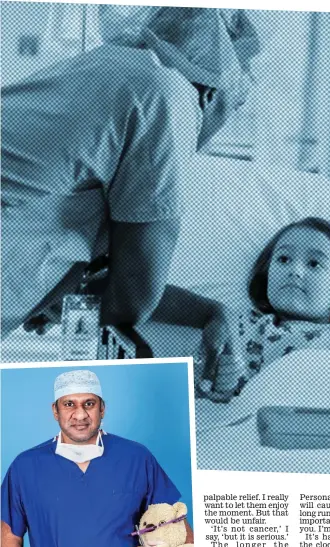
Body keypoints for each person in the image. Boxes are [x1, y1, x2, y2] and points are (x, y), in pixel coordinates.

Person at [1, 7, 260, 338]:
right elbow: (133, 298)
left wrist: (211, 311)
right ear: (211, 93)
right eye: (232, 107)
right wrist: (64, 306)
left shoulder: (102, 65)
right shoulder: (167, 97)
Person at [1, 370, 194, 547]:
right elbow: (7, 540)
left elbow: (175, 522)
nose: (79, 415)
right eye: (69, 404)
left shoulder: (136, 458)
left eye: (88, 404)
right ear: (54, 410)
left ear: (102, 408)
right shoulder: (26, 467)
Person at [157, 217, 330, 400]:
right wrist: (214, 383)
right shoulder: (241, 329)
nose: (294, 270)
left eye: (314, 264)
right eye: (283, 259)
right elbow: (204, 388)